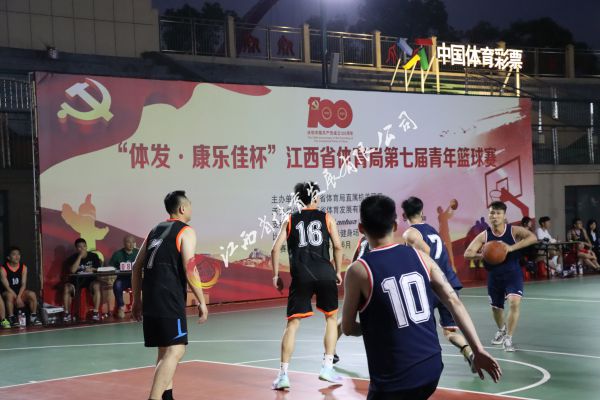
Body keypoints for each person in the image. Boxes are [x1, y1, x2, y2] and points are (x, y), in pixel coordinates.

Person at [342, 195, 501, 400]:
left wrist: (380, 327)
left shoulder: (358, 270)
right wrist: (477, 350)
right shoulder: (422, 257)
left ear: (361, 228)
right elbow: (453, 301)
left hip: (394, 379)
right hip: (431, 368)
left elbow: (347, 328)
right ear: (395, 225)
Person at [131, 190, 208, 400]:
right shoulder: (186, 231)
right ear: (182, 208)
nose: (191, 208)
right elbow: (190, 268)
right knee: (176, 351)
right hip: (169, 297)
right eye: (190, 204)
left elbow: (136, 267)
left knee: (164, 351)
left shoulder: (155, 230)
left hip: (151, 298)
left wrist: (136, 300)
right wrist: (201, 301)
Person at [271, 181, 344, 390]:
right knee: (331, 318)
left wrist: (275, 275)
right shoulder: (327, 217)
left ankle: (283, 375)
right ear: (316, 197)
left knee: (292, 324)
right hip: (324, 273)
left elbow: (275, 249)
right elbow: (338, 246)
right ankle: (327, 367)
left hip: (301, 275)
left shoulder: (290, 219)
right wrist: (337, 271)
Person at [401, 197, 476, 373]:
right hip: (449, 283)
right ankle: (469, 352)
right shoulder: (431, 230)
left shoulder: (410, 233)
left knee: (419, 328)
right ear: (421, 212)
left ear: (404, 215)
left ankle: (422, 364)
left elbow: (425, 252)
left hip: (430, 287)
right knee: (449, 332)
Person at [464, 201, 538, 352]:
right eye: (492, 213)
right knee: (496, 308)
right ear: (489, 215)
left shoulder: (513, 230)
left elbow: (532, 238)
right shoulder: (485, 235)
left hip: (513, 274)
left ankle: (508, 339)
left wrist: (510, 248)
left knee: (514, 303)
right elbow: (467, 253)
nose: (495, 216)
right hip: (494, 276)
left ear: (504, 216)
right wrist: (484, 254)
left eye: (498, 213)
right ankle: (502, 330)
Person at [62, 238, 102, 322]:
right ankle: (67, 313)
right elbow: (72, 270)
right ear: (76, 249)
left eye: (84, 246)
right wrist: (79, 257)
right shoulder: (72, 258)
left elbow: (99, 269)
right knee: (66, 287)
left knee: (97, 285)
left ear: (86, 247)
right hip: (76, 281)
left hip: (90, 281)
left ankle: (95, 312)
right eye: (80, 247)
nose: (82, 249)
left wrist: (92, 269)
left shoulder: (94, 256)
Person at [0, 247, 42, 327]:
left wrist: (19, 297)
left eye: (18, 254)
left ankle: (33, 317)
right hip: (8, 291)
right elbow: (7, 287)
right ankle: (11, 318)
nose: (17, 256)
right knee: (9, 295)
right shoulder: (3, 269)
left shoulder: (23, 267)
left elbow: (23, 284)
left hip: (20, 292)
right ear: (8, 257)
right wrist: (16, 297)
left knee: (32, 294)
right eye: (14, 254)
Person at [109, 235, 139, 319]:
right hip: (123, 280)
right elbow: (111, 267)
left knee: (148, 284)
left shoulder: (138, 253)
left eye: (133, 242)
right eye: (128, 242)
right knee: (117, 285)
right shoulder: (118, 254)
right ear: (124, 243)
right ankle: (121, 307)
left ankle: (140, 307)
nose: (131, 244)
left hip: (135, 279)